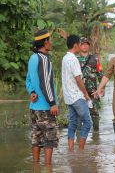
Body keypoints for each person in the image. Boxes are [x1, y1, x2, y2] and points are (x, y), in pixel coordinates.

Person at [26, 29, 59, 165]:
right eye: (50, 40)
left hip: (34, 108)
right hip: (45, 107)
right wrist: (52, 103)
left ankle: (36, 167)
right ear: (45, 42)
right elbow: (45, 83)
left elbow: (28, 79)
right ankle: (48, 168)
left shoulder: (32, 58)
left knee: (36, 139)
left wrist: (32, 91)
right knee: (49, 141)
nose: (51, 43)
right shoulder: (43, 59)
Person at [61, 35, 92, 151]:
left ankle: (70, 150)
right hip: (77, 97)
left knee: (72, 124)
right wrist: (86, 94)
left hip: (68, 97)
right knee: (87, 123)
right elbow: (78, 79)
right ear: (75, 45)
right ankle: (80, 151)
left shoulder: (65, 58)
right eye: (80, 43)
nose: (81, 45)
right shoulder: (74, 59)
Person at [77, 37, 104, 131]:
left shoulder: (95, 58)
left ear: (89, 46)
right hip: (79, 91)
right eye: (82, 44)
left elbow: (100, 74)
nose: (85, 46)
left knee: (95, 112)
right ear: (79, 46)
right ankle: (79, 137)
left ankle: (96, 136)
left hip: (93, 91)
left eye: (86, 44)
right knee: (79, 113)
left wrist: (101, 88)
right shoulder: (75, 59)